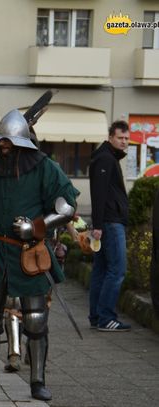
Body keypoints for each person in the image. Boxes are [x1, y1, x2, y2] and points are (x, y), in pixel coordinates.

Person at [0, 109, 79, 401]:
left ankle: (37, 381)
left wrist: (35, 226)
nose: (2, 148)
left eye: (8, 144)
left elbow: (66, 208)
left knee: (36, 320)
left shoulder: (45, 168)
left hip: (29, 252)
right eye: (0, 143)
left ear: (23, 144)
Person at [88, 120, 130, 332]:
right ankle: (106, 317)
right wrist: (97, 225)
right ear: (110, 137)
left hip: (107, 222)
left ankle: (96, 316)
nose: (124, 142)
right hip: (110, 223)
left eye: (126, 138)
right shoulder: (105, 159)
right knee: (117, 270)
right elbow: (99, 193)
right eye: (120, 138)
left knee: (101, 270)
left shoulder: (106, 157)